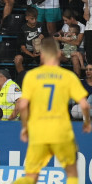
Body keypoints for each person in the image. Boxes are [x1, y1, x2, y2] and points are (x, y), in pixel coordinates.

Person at [12, 37, 91, 184]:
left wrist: (24, 128)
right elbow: (85, 105)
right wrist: (87, 122)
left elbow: (22, 105)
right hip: (61, 132)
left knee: (31, 177)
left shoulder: (31, 76)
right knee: (72, 171)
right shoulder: (68, 76)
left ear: (42, 55)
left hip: (38, 132)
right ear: (58, 53)